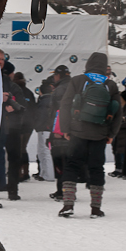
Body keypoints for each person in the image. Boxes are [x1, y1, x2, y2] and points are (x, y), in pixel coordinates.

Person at [58, 52, 122, 218]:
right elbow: (117, 112)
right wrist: (111, 134)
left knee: (72, 166)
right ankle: (95, 208)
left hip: (77, 132)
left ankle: (68, 205)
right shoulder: (110, 85)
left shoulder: (78, 81)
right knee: (96, 168)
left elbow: (65, 105)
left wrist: (65, 128)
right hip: (99, 134)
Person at [0, 50, 25, 202]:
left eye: (2, 59)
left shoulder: (10, 84)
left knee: (14, 158)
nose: (0, 61)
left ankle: (13, 189)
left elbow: (22, 105)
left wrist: (13, 103)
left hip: (12, 127)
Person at [48, 65, 72, 200]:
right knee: (68, 162)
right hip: (71, 131)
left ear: (59, 75)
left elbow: (55, 112)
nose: (54, 77)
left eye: (55, 75)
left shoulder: (60, 90)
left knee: (59, 161)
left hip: (60, 132)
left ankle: (62, 191)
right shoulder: (74, 85)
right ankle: (66, 191)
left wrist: (55, 130)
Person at [13, 72, 36, 181]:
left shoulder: (15, 92)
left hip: (18, 124)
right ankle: (25, 172)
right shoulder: (29, 93)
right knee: (23, 148)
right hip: (29, 124)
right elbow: (34, 108)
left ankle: (19, 173)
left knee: (18, 149)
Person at [34, 80, 55, 181]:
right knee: (43, 151)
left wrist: (37, 125)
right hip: (47, 128)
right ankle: (44, 173)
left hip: (44, 128)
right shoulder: (50, 100)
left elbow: (41, 116)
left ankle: (48, 175)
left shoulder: (43, 101)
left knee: (45, 152)